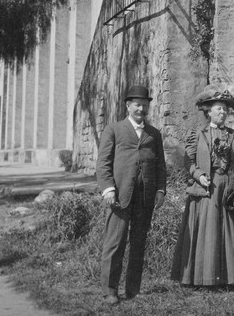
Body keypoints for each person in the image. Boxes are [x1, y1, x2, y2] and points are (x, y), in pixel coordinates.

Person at [171, 85, 234, 286]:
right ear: (208, 111)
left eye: (226, 109)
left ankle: (231, 277)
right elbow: (188, 161)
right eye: (219, 108)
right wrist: (199, 175)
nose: (223, 112)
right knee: (208, 230)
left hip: (230, 189)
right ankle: (203, 277)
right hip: (207, 188)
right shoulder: (197, 134)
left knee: (231, 230)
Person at [96, 85, 166, 305]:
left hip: (144, 197)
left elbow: (161, 166)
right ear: (128, 105)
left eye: (145, 105)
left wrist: (160, 190)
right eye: (137, 104)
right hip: (119, 196)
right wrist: (108, 189)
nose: (141, 109)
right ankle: (109, 290)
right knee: (114, 243)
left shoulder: (154, 134)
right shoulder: (114, 129)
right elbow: (103, 163)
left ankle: (133, 289)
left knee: (138, 242)